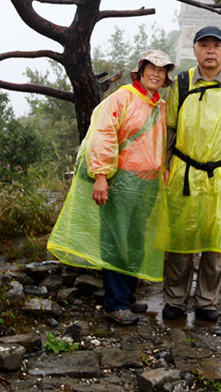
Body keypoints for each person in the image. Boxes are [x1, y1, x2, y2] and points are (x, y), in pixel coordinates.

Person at [47, 49, 174, 325]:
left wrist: (163, 170)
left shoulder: (159, 106)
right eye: (150, 67)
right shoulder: (122, 98)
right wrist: (102, 176)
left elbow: (161, 144)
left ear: (166, 78)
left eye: (162, 70)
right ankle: (114, 303)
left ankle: (127, 296)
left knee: (136, 240)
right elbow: (104, 135)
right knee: (117, 240)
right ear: (140, 72)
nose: (156, 73)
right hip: (120, 182)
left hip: (147, 185)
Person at [161, 26, 221, 323]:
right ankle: (175, 300)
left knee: (214, 243)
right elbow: (169, 129)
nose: (210, 50)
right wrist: (165, 166)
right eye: (203, 45)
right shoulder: (180, 84)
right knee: (180, 240)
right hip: (184, 172)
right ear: (194, 50)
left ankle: (206, 300)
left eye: (216, 45)